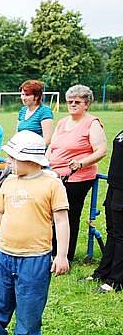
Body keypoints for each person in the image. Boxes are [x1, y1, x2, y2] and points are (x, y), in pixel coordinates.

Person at [0, 130, 70, 335]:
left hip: (35, 256)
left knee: (30, 300)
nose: (8, 161)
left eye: (12, 158)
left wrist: (62, 255)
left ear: (30, 160)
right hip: (4, 253)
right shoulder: (9, 182)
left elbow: (61, 221)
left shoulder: (52, 185)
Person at [46, 84, 107, 261]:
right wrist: (45, 162)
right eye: (70, 101)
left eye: (77, 102)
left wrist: (81, 163)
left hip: (76, 178)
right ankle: (50, 250)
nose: (73, 104)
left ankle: (64, 255)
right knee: (50, 213)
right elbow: (52, 146)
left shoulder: (92, 123)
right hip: (54, 175)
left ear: (86, 104)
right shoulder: (63, 122)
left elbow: (101, 150)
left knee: (68, 214)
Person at [90, 129, 123, 293]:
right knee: (112, 232)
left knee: (120, 235)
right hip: (114, 186)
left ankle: (116, 280)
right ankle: (102, 272)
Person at [17, 79, 54, 144]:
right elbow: (17, 134)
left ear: (36, 96)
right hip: (21, 151)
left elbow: (47, 140)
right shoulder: (22, 110)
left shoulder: (44, 111)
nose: (23, 98)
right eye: (22, 94)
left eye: (27, 95)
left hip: (36, 152)